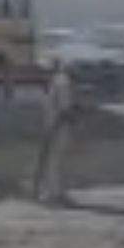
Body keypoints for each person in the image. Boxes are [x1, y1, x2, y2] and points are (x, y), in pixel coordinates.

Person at [35, 61, 78, 205]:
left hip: (54, 126)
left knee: (53, 161)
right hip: (57, 126)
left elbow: (60, 108)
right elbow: (63, 108)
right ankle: (55, 193)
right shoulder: (61, 82)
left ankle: (52, 193)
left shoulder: (59, 81)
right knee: (55, 162)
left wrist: (52, 127)